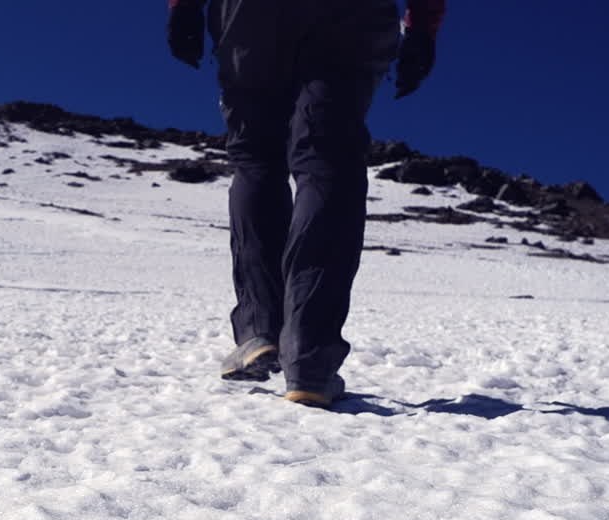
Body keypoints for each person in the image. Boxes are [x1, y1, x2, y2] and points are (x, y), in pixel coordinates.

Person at [167, 0, 445, 407]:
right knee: (327, 158)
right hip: (350, 17)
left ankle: (260, 328)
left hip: (249, 16)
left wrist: (184, 6)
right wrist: (421, 29)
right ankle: (309, 359)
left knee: (256, 158)